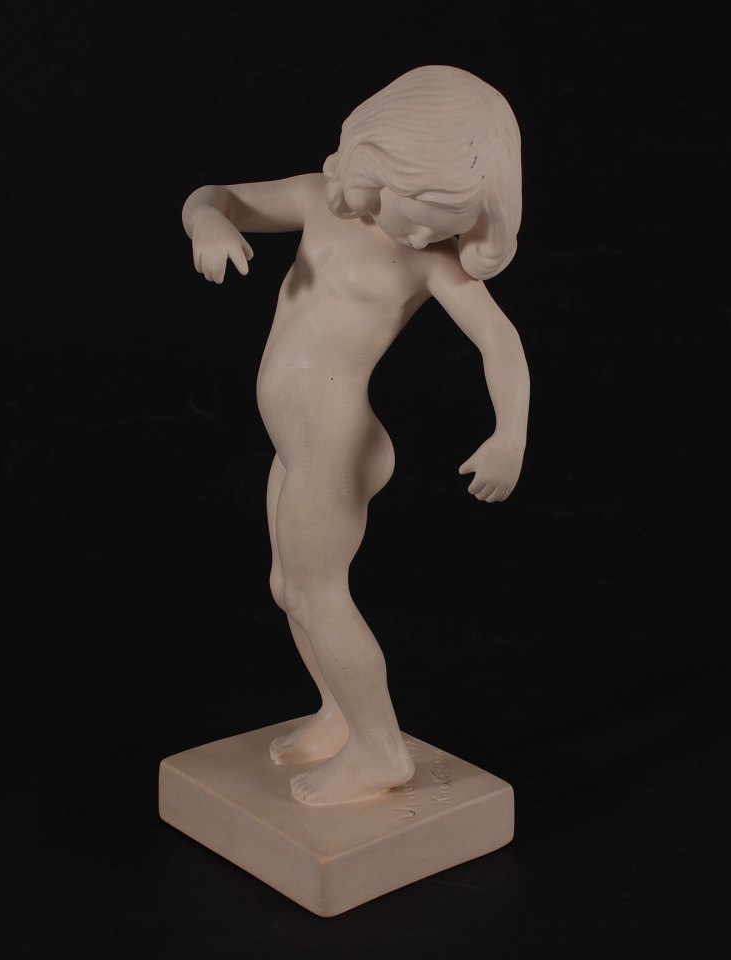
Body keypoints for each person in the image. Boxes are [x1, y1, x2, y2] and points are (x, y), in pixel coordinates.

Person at [180, 65, 529, 805]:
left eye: (448, 224)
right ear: (379, 162)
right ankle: (340, 716)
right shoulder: (318, 199)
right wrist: (207, 223)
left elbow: (500, 343)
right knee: (290, 589)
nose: (429, 234)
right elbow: (217, 196)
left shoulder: (430, 261)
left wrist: (511, 435)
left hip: (334, 443)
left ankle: (379, 751)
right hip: (297, 441)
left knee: (319, 593)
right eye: (422, 212)